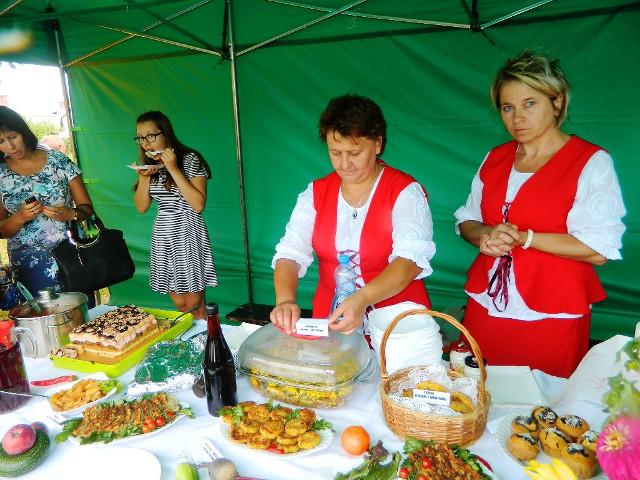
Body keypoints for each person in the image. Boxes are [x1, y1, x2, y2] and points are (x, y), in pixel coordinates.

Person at [455, 51, 626, 378]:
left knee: (543, 398)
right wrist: (485, 235)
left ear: (557, 103)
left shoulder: (590, 162)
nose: (517, 117)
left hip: (552, 310)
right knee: (478, 388)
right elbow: (467, 221)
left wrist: (525, 238)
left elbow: (598, 249)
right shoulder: (495, 157)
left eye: (530, 103)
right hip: (488, 302)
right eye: (507, 107)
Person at [270, 94, 436, 336]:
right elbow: (291, 253)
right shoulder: (315, 193)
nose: (345, 164)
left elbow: (409, 262)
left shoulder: (405, 192)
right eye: (335, 152)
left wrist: (363, 298)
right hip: (332, 321)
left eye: (354, 153)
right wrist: (285, 300)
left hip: (396, 324)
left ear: (377, 144)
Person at [0, 106, 94, 298]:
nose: (10, 146)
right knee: (42, 315)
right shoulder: (1, 174)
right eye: (1, 141)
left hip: (72, 255)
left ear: (23, 131)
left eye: (13, 137)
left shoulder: (58, 161)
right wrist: (20, 217)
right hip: (29, 265)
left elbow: (86, 208)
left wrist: (71, 213)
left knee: (81, 311)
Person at [133, 111, 217, 320]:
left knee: (193, 303)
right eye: (141, 137)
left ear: (165, 133)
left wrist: (172, 168)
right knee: (181, 304)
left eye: (151, 135)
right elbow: (141, 207)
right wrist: (144, 178)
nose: (146, 143)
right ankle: (204, 332)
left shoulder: (190, 159)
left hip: (188, 230)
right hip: (163, 233)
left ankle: (207, 335)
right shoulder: (149, 165)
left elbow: (198, 204)